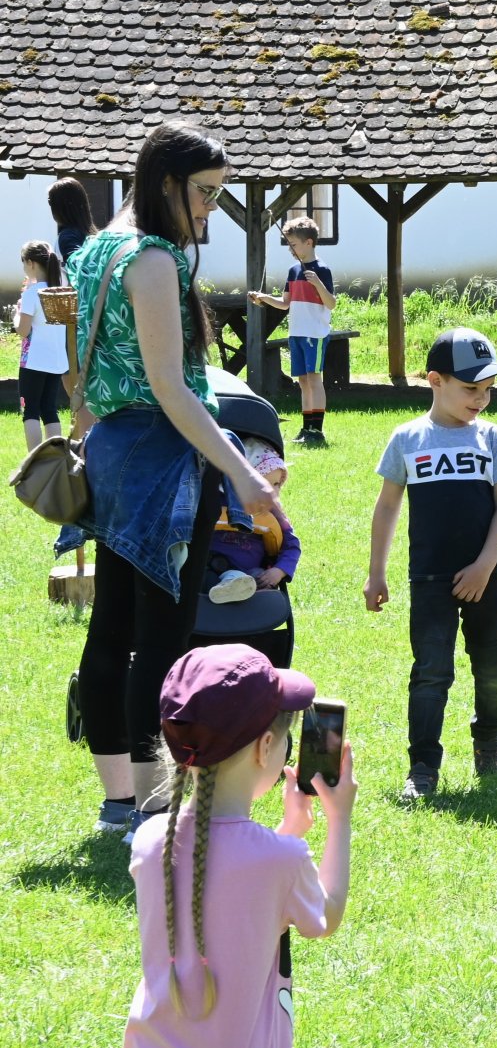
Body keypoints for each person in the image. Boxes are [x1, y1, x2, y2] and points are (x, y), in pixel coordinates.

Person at [61, 121, 278, 835]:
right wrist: (241, 470)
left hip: (116, 449)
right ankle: (153, 805)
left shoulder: (97, 247)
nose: (211, 210)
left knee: (111, 627)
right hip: (162, 456)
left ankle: (118, 802)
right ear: (165, 183)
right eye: (205, 194)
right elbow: (173, 388)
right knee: (160, 636)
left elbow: (87, 370)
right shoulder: (153, 259)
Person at [113, 644, 354, 1048]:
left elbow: (221, 880)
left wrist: (291, 826)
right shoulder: (279, 859)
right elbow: (325, 916)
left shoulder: (149, 843)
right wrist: (338, 820)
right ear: (266, 750)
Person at [365, 327, 497, 803]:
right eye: (471, 388)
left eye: (488, 389)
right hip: (429, 579)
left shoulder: (493, 438)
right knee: (431, 671)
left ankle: (487, 738)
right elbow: (388, 505)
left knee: (494, 667)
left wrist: (483, 567)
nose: (482, 399)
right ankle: (423, 767)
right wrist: (377, 572)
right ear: (435, 380)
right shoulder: (408, 438)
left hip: (486, 576)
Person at [246, 216, 335, 446]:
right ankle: (306, 428)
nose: (291, 249)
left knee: (315, 380)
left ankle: (318, 429)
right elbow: (286, 303)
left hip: (314, 334)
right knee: (303, 382)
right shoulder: (293, 270)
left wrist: (317, 284)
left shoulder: (322, 270)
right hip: (296, 333)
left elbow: (331, 303)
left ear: (309, 242)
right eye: (289, 245)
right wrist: (265, 298)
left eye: (294, 244)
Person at [207, 436, 300, 605]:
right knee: (202, 575)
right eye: (266, 483)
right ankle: (230, 587)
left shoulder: (275, 516)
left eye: (277, 484)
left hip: (253, 575)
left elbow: (292, 545)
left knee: (259, 579)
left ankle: (240, 588)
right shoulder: (217, 502)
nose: (273, 491)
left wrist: (279, 571)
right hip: (211, 566)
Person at [16, 239, 69, 450]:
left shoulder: (32, 293)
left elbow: (23, 330)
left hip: (34, 362)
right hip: (56, 362)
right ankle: (55, 460)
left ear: (30, 263)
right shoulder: (61, 292)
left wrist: (16, 314)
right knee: (49, 409)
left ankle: (35, 463)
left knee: (30, 411)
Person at [48, 176, 98, 263]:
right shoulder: (92, 235)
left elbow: (77, 265)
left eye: (50, 201)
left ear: (60, 206)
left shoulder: (68, 236)